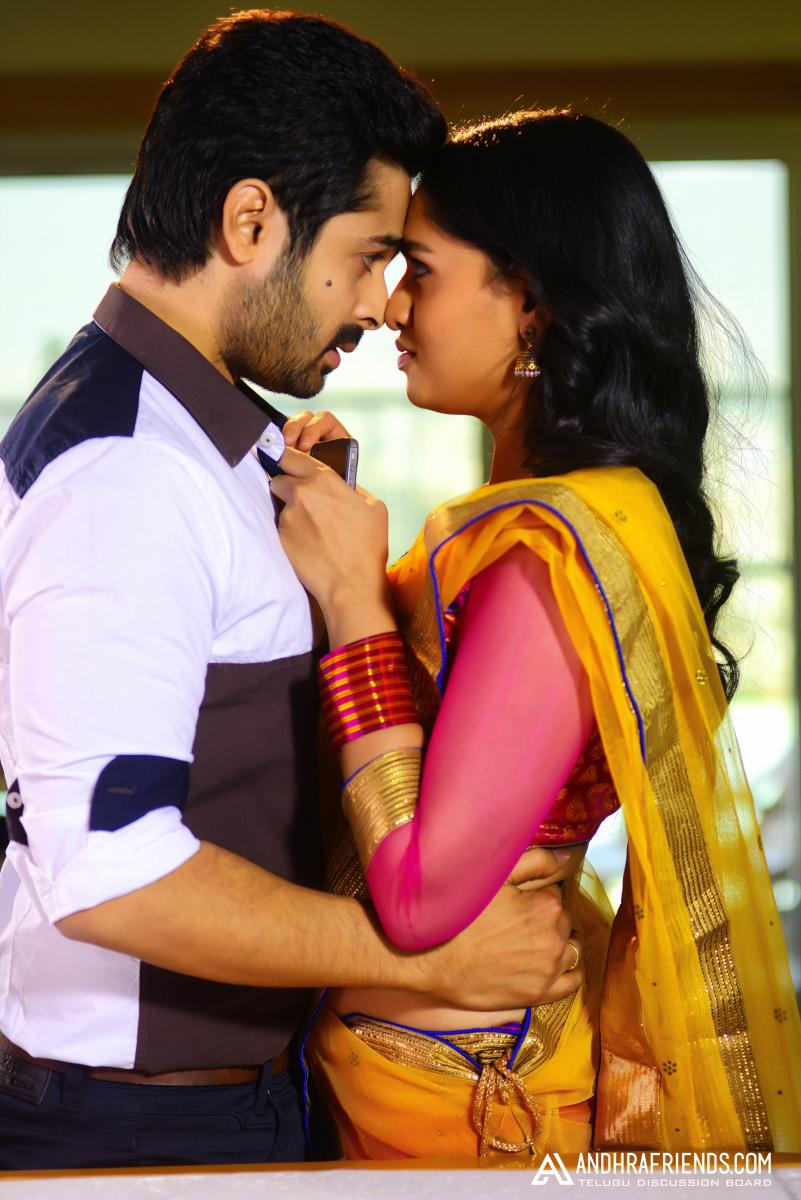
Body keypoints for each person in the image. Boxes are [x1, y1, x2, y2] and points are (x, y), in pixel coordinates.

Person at [0, 24, 584, 1170]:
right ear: (251, 221)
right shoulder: (130, 473)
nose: (379, 305)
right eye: (367, 257)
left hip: (218, 1101)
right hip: (142, 1130)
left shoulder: (196, 436)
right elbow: (113, 875)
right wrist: (427, 959)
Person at [271, 109, 801, 1161]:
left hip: (460, 1110)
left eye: (422, 270)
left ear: (533, 306)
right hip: (435, 1069)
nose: (389, 307)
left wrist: (354, 604)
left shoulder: (544, 565)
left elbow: (420, 897)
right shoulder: (547, 527)